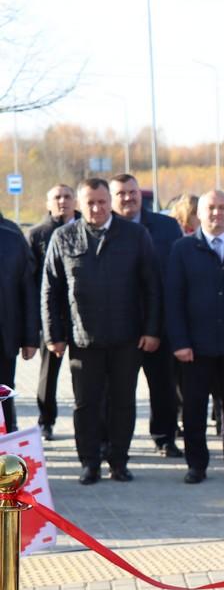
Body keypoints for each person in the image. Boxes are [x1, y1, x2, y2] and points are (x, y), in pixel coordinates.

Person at [42, 178, 161, 485]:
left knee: (123, 402)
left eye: (102, 201)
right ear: (80, 204)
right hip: (84, 339)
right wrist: (54, 335)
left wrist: (151, 330)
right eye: (90, 202)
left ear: (110, 202)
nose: (96, 208)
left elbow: (151, 287)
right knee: (86, 404)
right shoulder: (63, 237)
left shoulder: (135, 235)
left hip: (127, 337)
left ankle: (118, 461)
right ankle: (90, 462)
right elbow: (50, 290)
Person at [166, 190, 224, 484]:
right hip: (194, 347)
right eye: (211, 208)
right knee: (193, 409)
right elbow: (174, 298)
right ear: (199, 214)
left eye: (222, 208)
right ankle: (197, 465)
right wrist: (179, 342)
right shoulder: (182, 248)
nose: (217, 213)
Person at [110, 173, 184, 457]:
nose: (128, 198)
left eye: (132, 192)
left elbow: (177, 276)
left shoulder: (166, 227)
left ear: (140, 195)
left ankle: (165, 437)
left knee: (163, 387)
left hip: (160, 324)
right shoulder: (106, 230)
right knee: (116, 391)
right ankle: (113, 443)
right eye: (122, 194)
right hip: (119, 326)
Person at [28, 184, 79, 440]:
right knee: (48, 374)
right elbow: (32, 280)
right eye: (57, 197)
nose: (63, 201)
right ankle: (46, 420)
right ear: (48, 204)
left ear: (75, 201)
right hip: (51, 317)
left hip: (82, 316)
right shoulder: (37, 234)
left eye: (67, 197)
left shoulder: (86, 229)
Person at [0, 214, 38, 432]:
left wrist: (30, 338)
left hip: (4, 339)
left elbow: (28, 291)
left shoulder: (13, 240)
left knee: (3, 399)